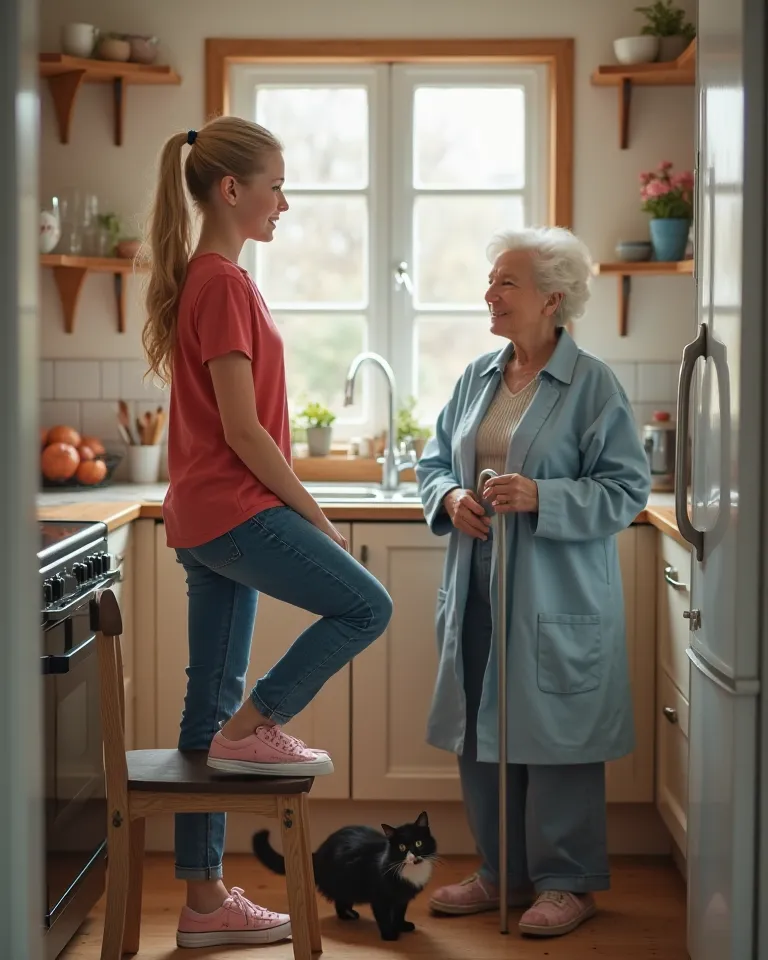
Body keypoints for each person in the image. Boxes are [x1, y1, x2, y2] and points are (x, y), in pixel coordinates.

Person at [142, 116, 393, 949]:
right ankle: (259, 725)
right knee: (368, 607)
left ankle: (204, 904)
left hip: (206, 514)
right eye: (277, 186)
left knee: (206, 703)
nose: (286, 203)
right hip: (235, 507)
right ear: (231, 189)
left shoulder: (210, 279)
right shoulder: (222, 284)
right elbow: (247, 433)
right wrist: (314, 514)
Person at [415, 226, 651, 939]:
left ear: (552, 298)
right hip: (479, 586)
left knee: (556, 735)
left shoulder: (593, 384)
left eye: (504, 283)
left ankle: (567, 882)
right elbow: (433, 463)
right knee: (481, 730)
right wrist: (451, 499)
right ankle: (501, 872)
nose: (489, 293)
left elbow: (627, 489)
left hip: (557, 597)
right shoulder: (478, 376)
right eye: (490, 281)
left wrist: (545, 496)